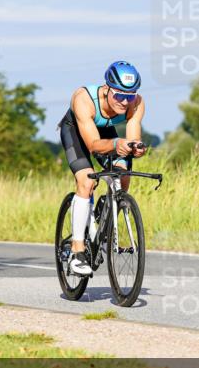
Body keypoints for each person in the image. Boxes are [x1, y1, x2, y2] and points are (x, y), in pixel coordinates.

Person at [58, 60, 146, 275]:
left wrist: (134, 147)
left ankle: (108, 206)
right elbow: (93, 145)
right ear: (106, 89)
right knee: (87, 181)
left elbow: (132, 134)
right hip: (78, 134)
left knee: (123, 175)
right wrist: (117, 144)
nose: (125, 102)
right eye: (119, 95)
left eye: (130, 95)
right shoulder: (83, 99)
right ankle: (77, 251)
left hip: (106, 133)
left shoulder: (137, 102)